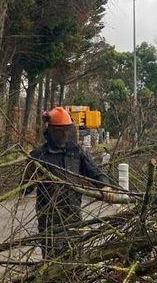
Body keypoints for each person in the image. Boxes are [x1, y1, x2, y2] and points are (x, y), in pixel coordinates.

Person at [26, 107, 116, 259]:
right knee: (53, 262)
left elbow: (94, 171)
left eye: (67, 130)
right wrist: (29, 173)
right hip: (50, 220)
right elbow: (25, 189)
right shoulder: (39, 156)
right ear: (51, 131)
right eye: (59, 131)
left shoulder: (76, 152)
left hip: (74, 215)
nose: (64, 134)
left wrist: (104, 185)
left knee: (75, 259)